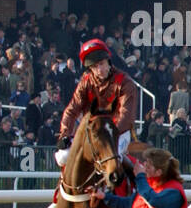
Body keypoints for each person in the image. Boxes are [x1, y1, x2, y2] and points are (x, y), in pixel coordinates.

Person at [55, 39, 138, 167]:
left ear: (108, 62)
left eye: (101, 64)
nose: (99, 69)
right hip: (91, 132)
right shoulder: (86, 82)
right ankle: (63, 187)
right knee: (63, 156)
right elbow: (72, 110)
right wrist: (65, 134)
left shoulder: (125, 82)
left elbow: (126, 117)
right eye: (94, 66)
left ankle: (132, 182)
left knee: (112, 158)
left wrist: (108, 133)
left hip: (118, 132)